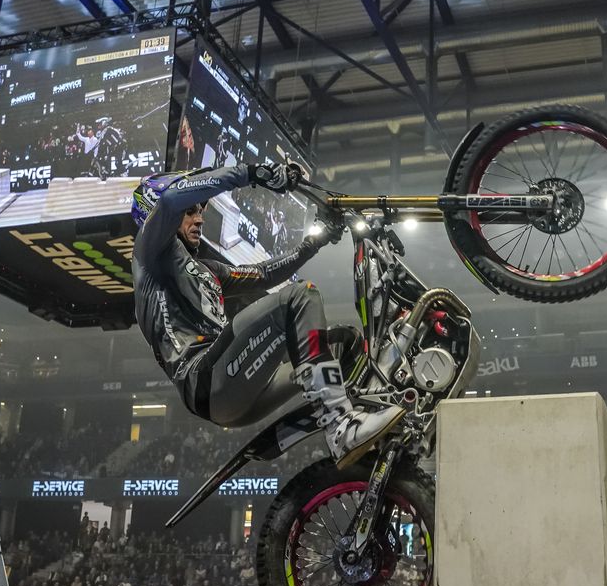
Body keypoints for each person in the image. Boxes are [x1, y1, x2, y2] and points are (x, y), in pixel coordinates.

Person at [130, 166, 404, 460]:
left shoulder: (208, 270)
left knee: (344, 342)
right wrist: (250, 173)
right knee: (301, 295)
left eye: (200, 210)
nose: (199, 218)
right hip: (205, 380)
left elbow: (264, 275)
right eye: (190, 212)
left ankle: (363, 424)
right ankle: (340, 426)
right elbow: (170, 199)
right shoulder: (149, 254)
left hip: (238, 388)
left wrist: (316, 240)